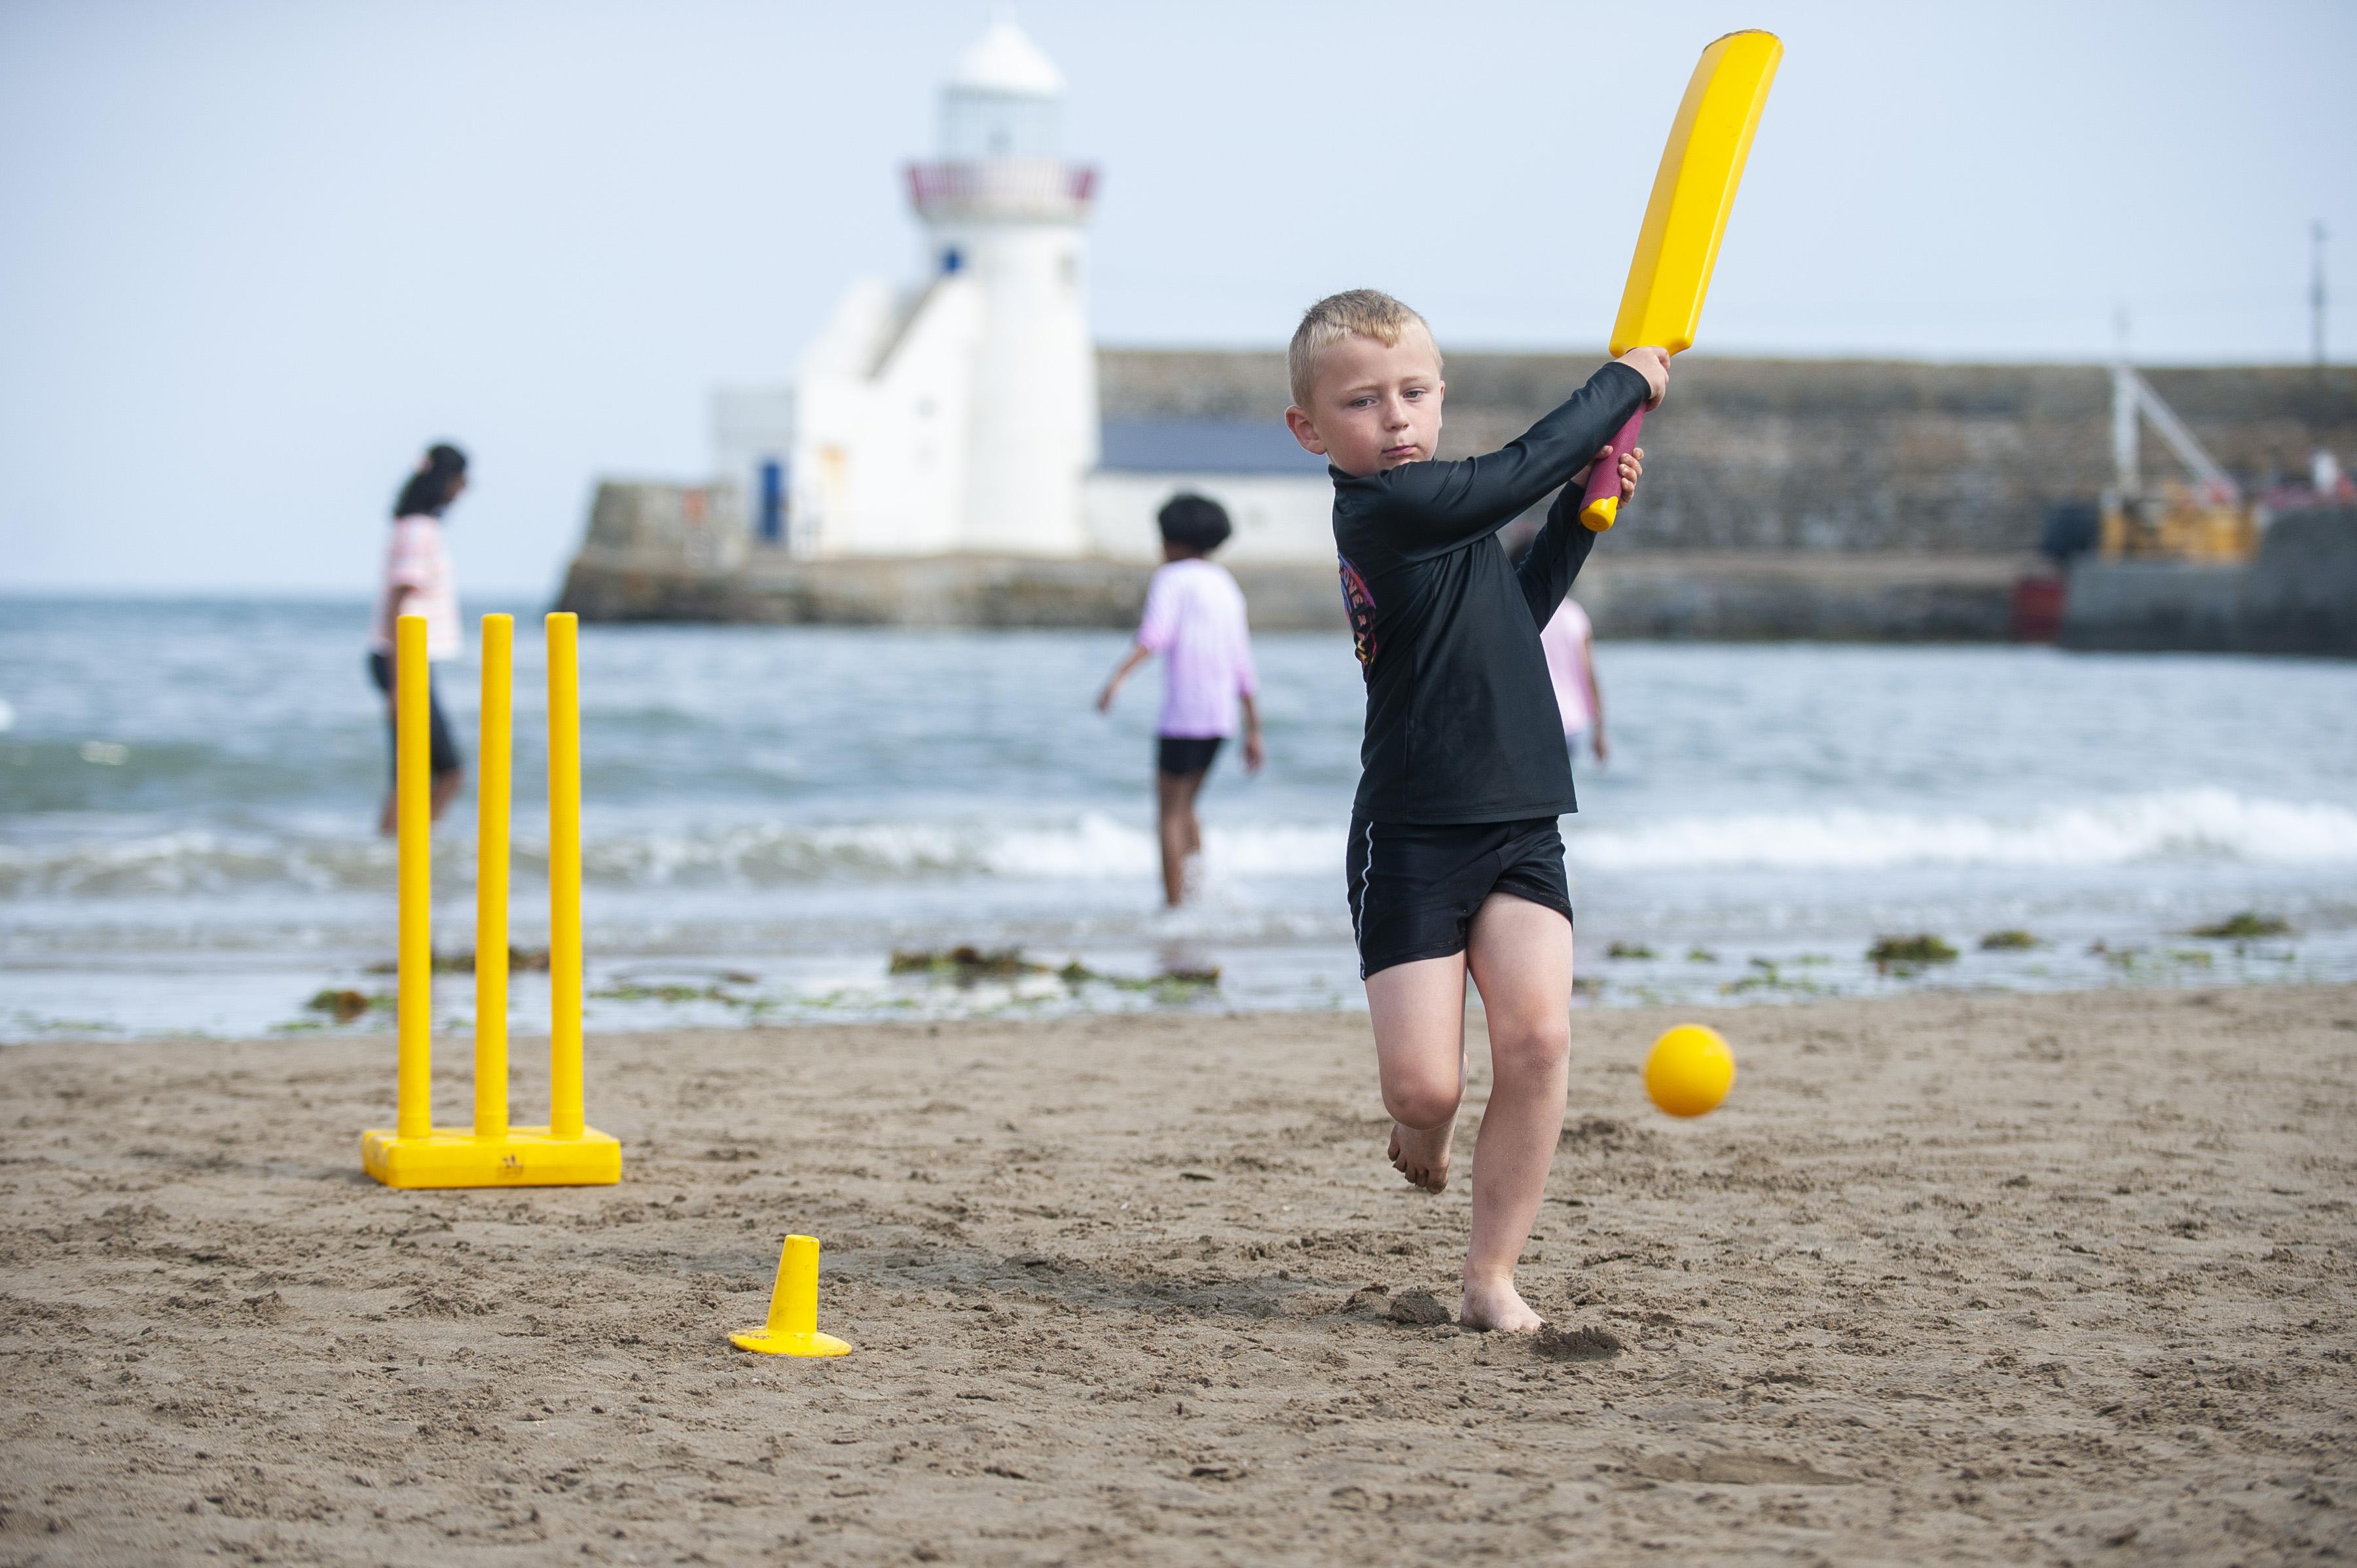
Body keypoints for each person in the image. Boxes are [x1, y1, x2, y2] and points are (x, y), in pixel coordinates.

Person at [1284, 289, 1664, 1333]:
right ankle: (1427, 1131)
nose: (1395, 418)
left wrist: (1586, 520)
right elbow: (1516, 470)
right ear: (1311, 430)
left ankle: (1489, 1277)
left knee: (1540, 1040)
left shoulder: (1440, 514)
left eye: (1414, 392)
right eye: (1363, 402)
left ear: (1442, 395)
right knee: (1423, 1091)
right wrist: (1628, 381)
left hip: (1520, 817)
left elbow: (1517, 609)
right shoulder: (1385, 509)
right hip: (1409, 832)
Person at [1095, 493, 1266, 907]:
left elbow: (1155, 635)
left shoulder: (1170, 578)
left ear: (1172, 540)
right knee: (1188, 807)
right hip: (1221, 718)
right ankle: (1196, 897)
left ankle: (1174, 908)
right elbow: (1242, 661)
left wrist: (1117, 677)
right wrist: (1254, 729)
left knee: (1169, 812)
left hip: (1184, 715)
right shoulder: (1225, 584)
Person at [367, 443, 469, 836]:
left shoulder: (416, 526)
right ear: (446, 480)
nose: (465, 488)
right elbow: (398, 600)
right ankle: (401, 854)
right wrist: (398, 682)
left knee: (417, 771)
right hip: (402, 656)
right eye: (461, 478)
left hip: (410, 657)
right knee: (443, 771)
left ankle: (401, 852)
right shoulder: (418, 531)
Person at [1539, 595, 1608, 765]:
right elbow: (1589, 672)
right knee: (1564, 788)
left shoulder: (1527, 610)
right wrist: (1600, 729)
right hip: (1571, 720)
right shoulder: (1574, 614)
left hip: (1537, 719)